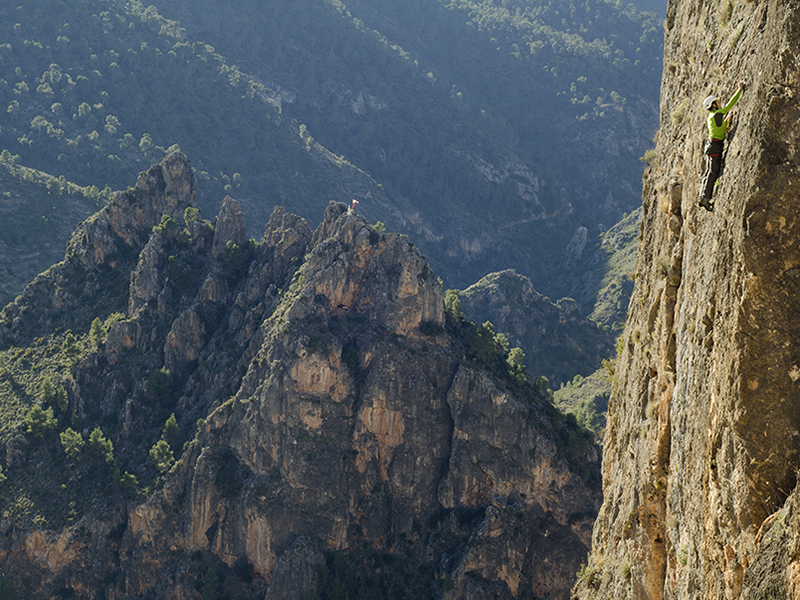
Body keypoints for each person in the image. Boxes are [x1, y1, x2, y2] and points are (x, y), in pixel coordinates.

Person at [699, 81, 745, 211]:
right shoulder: (717, 114)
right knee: (713, 173)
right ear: (713, 105)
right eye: (716, 102)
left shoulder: (712, 116)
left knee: (709, 172)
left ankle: (702, 196)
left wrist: (727, 119)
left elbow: (720, 127)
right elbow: (730, 104)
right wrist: (739, 90)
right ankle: (705, 198)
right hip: (714, 146)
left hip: (712, 145)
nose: (719, 103)